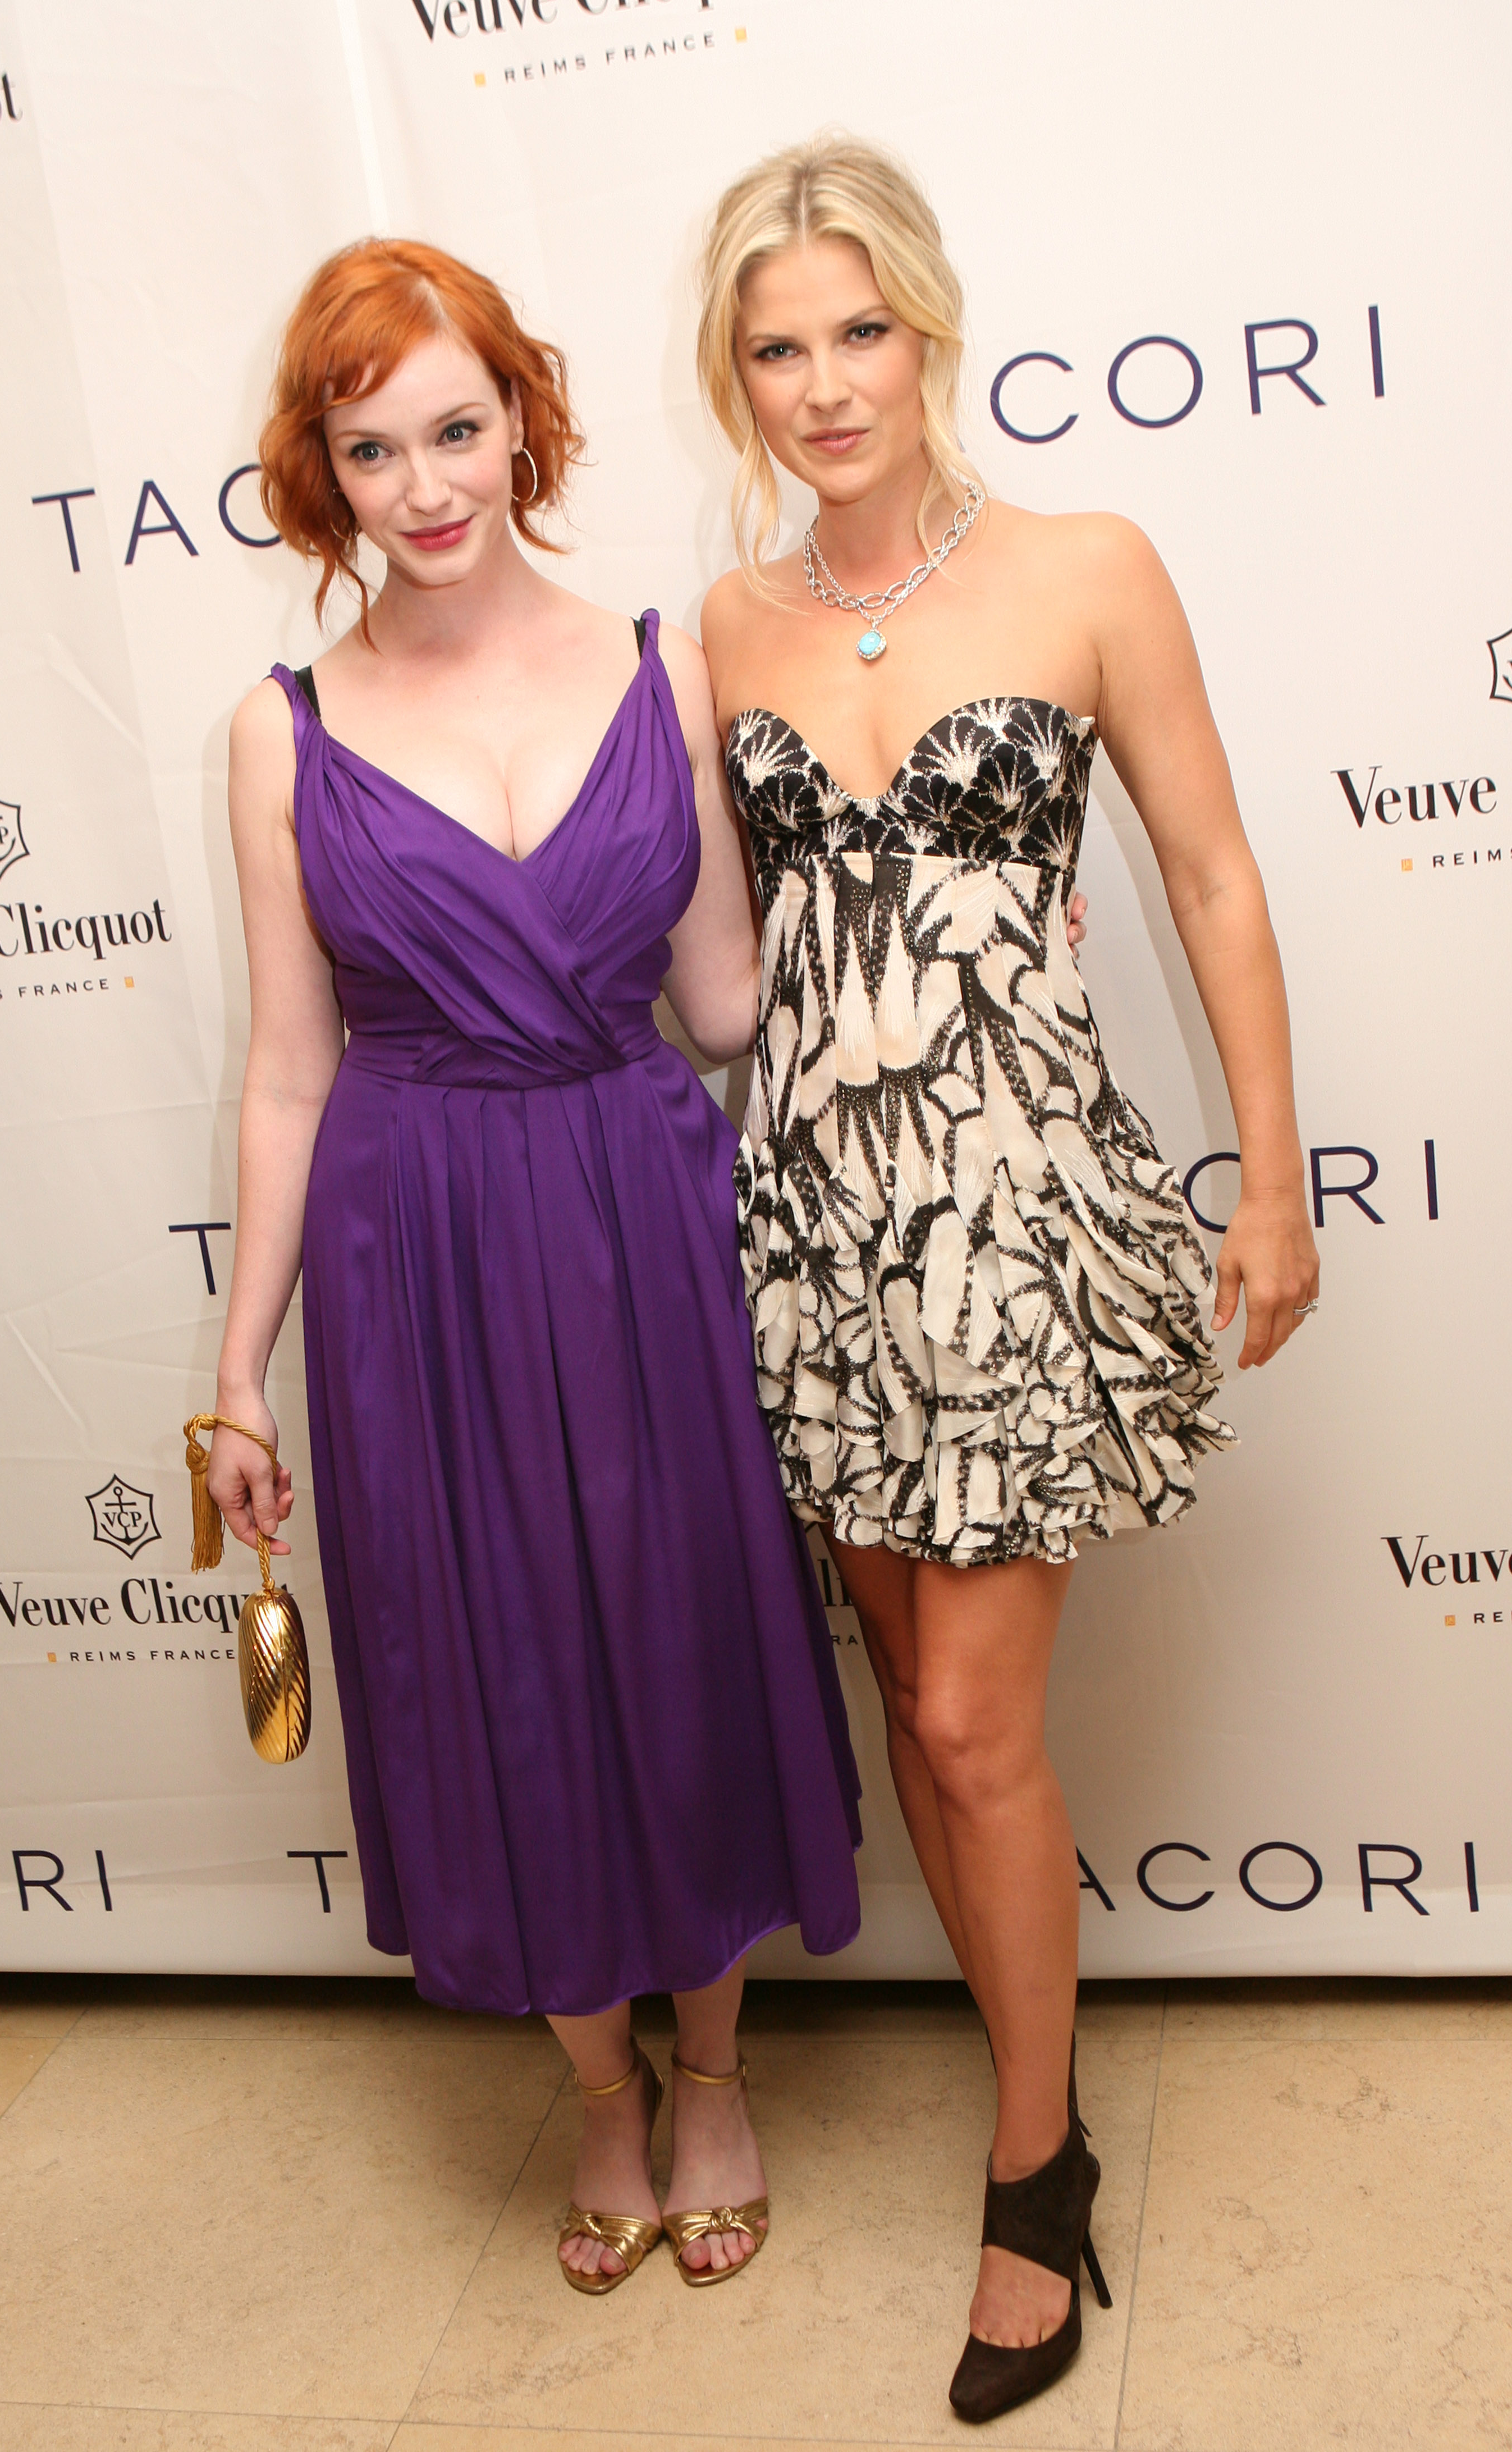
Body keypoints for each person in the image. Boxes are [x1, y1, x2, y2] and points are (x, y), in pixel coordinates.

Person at [696, 135, 1320, 2421]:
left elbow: (1210, 877)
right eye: (779, 348)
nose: (825, 384)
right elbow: (710, 963)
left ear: (930, 328)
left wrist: (1270, 1175)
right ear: (736, 378)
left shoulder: (1084, 567)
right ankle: (1026, 2090)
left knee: (974, 1724)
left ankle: (1033, 2171)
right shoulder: (722, 628)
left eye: (859, 330)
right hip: (820, 1224)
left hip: (1020, 1217)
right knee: (909, 1701)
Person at [206, 236, 863, 2295]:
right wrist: (236, 1375)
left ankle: (717, 2067)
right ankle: (599, 2095)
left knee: (679, 1630)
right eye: (371, 448)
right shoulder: (281, 730)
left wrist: (939, 921)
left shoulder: (663, 667)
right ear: (322, 470)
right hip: (418, 1254)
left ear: (523, 423)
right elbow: (289, 1074)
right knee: (500, 1661)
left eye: (456, 429)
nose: (424, 486)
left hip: (642, 1217)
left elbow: (729, 997)